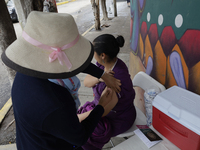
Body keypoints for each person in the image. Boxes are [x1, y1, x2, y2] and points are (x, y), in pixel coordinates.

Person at [1, 11, 121, 150]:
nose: (74, 60)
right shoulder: (56, 102)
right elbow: (80, 137)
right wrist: (101, 106)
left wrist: (103, 75)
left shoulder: (27, 72)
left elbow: (75, 61)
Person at [77, 34, 136, 150]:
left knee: (84, 130)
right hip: (102, 109)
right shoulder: (106, 65)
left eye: (94, 52)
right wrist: (101, 77)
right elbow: (86, 82)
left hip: (118, 118)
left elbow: (102, 111)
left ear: (102, 55)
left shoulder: (116, 80)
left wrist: (78, 118)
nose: (93, 56)